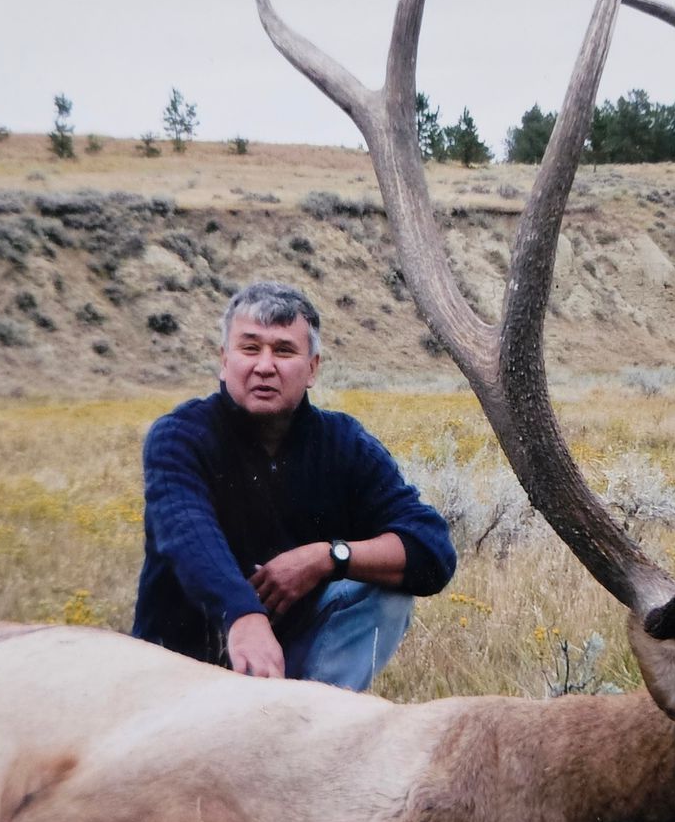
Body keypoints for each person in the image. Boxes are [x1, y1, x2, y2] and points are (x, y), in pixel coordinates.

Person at [131, 280, 456, 689]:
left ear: (312, 368)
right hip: (180, 669)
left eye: (284, 350)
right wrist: (243, 614)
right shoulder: (179, 436)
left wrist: (327, 557)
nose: (265, 366)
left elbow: (432, 549)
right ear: (224, 360)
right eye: (250, 348)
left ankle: (317, 717)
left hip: (297, 670)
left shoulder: (344, 443)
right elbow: (188, 535)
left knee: (387, 594)